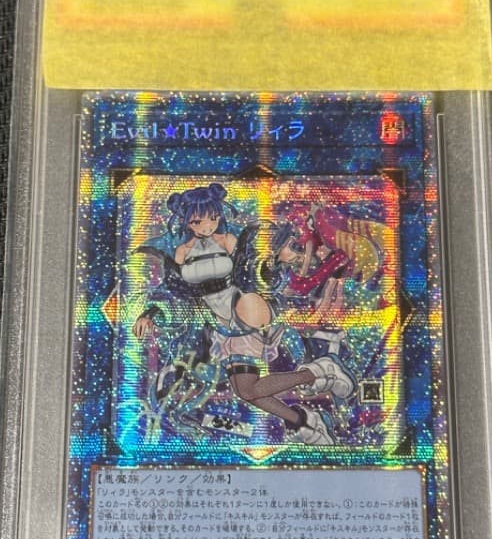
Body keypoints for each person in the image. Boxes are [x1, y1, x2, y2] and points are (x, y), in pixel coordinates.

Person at [132, 183, 356, 445]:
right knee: (246, 391)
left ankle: (317, 381)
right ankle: (307, 411)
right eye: (198, 221)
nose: (207, 226)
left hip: (244, 308)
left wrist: (275, 262)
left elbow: (252, 268)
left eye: (213, 218)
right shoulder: (181, 251)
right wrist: (150, 313)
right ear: (187, 222)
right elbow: (173, 290)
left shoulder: (228, 240)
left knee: (247, 378)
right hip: (220, 325)